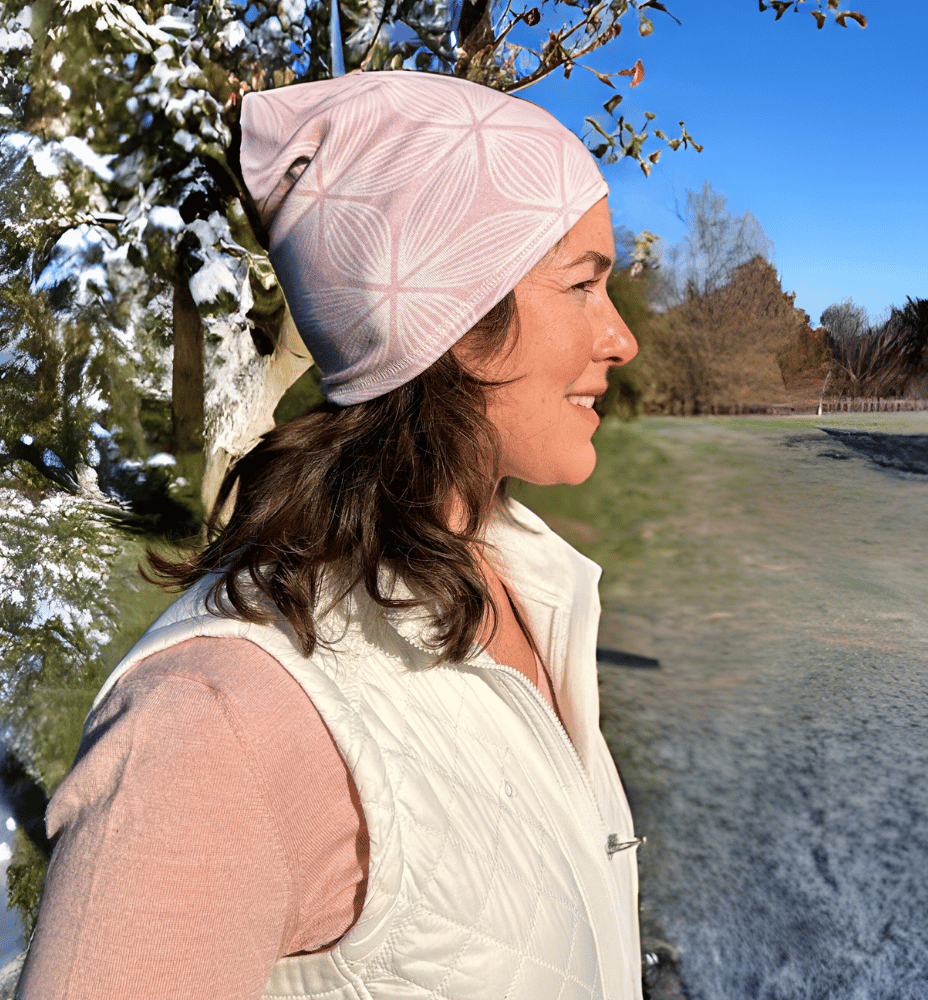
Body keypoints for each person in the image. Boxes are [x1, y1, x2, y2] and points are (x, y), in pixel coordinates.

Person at [16, 70, 641, 1000]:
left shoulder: (523, 578)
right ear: (452, 320)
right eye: (584, 285)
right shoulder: (216, 725)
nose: (622, 338)